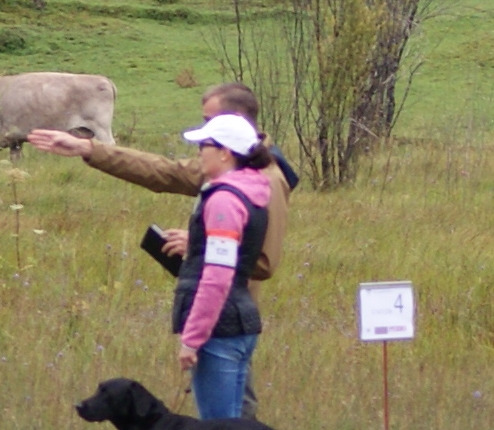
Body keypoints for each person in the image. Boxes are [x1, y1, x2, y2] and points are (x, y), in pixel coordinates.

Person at [23, 82, 299, 288]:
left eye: (209, 122)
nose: (203, 132)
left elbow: (264, 262)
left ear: (234, 123)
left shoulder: (267, 180)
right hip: (206, 306)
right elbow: (163, 171)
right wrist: (88, 148)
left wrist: (199, 244)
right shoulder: (226, 166)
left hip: (229, 317)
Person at [160, 112, 277, 421]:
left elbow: (217, 277)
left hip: (219, 330)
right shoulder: (251, 192)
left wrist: (192, 338)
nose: (199, 152)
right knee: (236, 429)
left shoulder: (224, 200)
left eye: (205, 146)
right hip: (238, 319)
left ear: (225, 152)